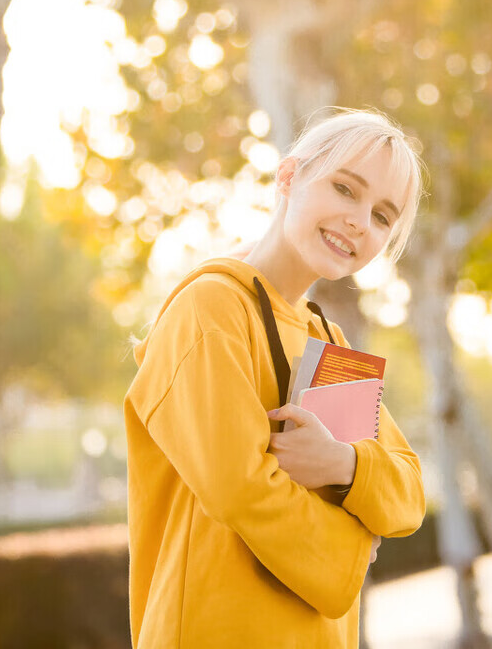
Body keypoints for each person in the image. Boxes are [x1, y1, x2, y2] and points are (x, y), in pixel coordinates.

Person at [124, 109, 427, 648]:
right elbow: (240, 489)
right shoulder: (209, 306)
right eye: (344, 188)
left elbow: (408, 491)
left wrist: (343, 463)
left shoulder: (329, 340)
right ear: (288, 178)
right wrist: (354, 543)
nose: (360, 221)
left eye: (383, 216)